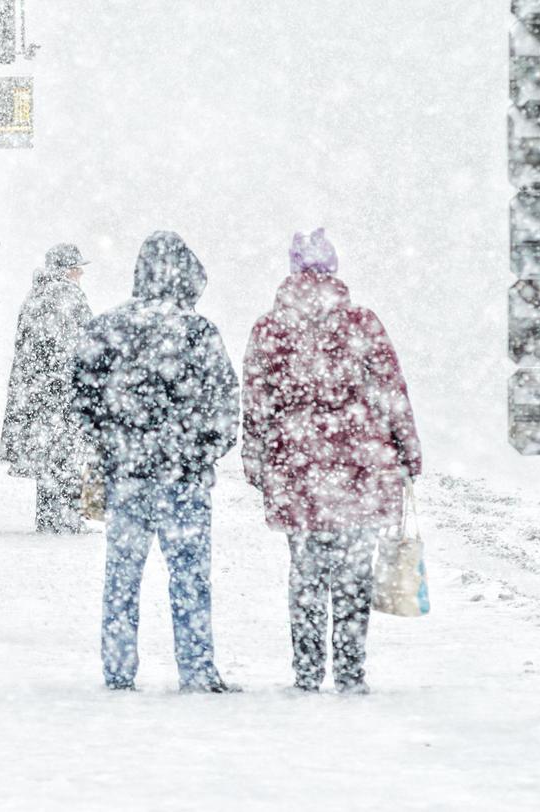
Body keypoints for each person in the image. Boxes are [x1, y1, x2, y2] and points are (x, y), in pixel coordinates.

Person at [241, 229, 422, 695]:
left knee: (305, 573)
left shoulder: (269, 328)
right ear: (334, 270)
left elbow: (256, 402)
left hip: (296, 467)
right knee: (353, 577)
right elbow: (391, 392)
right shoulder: (362, 324)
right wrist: (407, 452)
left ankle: (306, 673)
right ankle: (349, 671)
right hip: (358, 467)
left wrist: (257, 461)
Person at [72, 231, 240, 693]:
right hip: (183, 479)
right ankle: (198, 670)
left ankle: (118, 669)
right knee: (189, 579)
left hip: (127, 476)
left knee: (122, 577)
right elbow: (226, 405)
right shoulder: (197, 331)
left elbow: (83, 399)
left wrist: (112, 445)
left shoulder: (107, 327)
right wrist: (199, 451)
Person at [0, 243, 94, 534]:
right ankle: (69, 519)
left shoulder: (35, 296)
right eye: (77, 267)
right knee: (68, 454)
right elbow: (87, 344)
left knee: (48, 455)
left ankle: (48, 517)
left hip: (36, 392)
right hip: (64, 390)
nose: (80, 273)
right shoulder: (68, 296)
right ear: (67, 270)